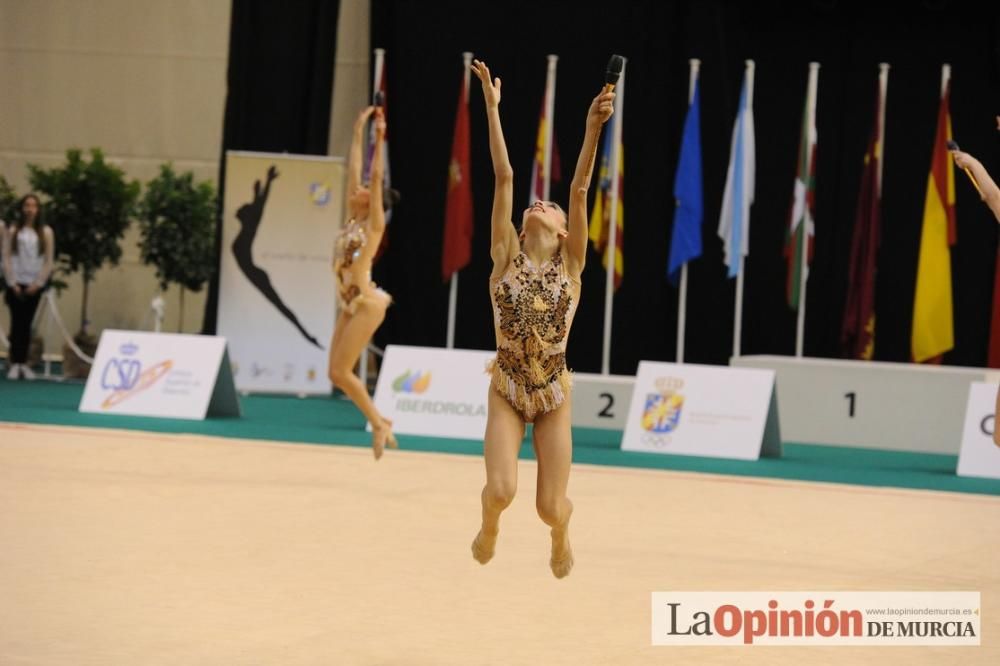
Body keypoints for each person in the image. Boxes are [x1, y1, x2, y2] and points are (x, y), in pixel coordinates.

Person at [468, 58, 614, 578]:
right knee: (502, 491)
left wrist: (594, 127)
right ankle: (488, 526)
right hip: (508, 383)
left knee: (550, 506)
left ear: (564, 232)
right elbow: (504, 175)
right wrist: (491, 108)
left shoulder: (571, 266)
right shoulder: (504, 253)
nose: (541, 203)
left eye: (548, 207)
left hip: (552, 390)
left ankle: (561, 532)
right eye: (538, 203)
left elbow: (578, 189)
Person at [328, 105, 398, 460]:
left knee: (342, 370)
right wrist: (358, 131)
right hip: (350, 302)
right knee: (335, 373)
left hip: (367, 303)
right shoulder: (349, 219)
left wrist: (380, 137)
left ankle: (378, 424)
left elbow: (372, 176)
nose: (356, 188)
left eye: (364, 189)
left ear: (371, 199)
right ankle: (380, 419)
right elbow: (354, 169)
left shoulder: (372, 225)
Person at [2, 194, 54, 380]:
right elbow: (6, 257)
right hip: (16, 283)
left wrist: (38, 283)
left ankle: (24, 362)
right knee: (16, 323)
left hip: (33, 284)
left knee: (27, 324)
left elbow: (48, 260)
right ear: (22, 208)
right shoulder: (14, 230)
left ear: (38, 209)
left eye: (33, 206)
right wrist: (11, 282)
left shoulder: (45, 232)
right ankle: (15, 362)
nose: (30, 209)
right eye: (26, 205)